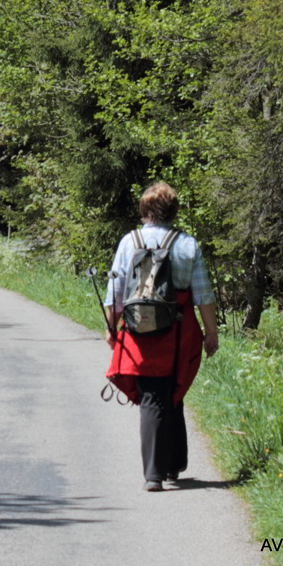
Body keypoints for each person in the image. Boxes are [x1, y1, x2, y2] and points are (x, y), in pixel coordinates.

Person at [103, 182, 219, 492]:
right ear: (173, 210)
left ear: (144, 210)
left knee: (152, 397)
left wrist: (110, 327)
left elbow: (115, 290)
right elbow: (203, 295)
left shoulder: (130, 241)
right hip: (178, 332)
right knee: (173, 392)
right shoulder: (187, 244)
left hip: (138, 331)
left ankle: (156, 472)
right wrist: (211, 333)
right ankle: (170, 466)